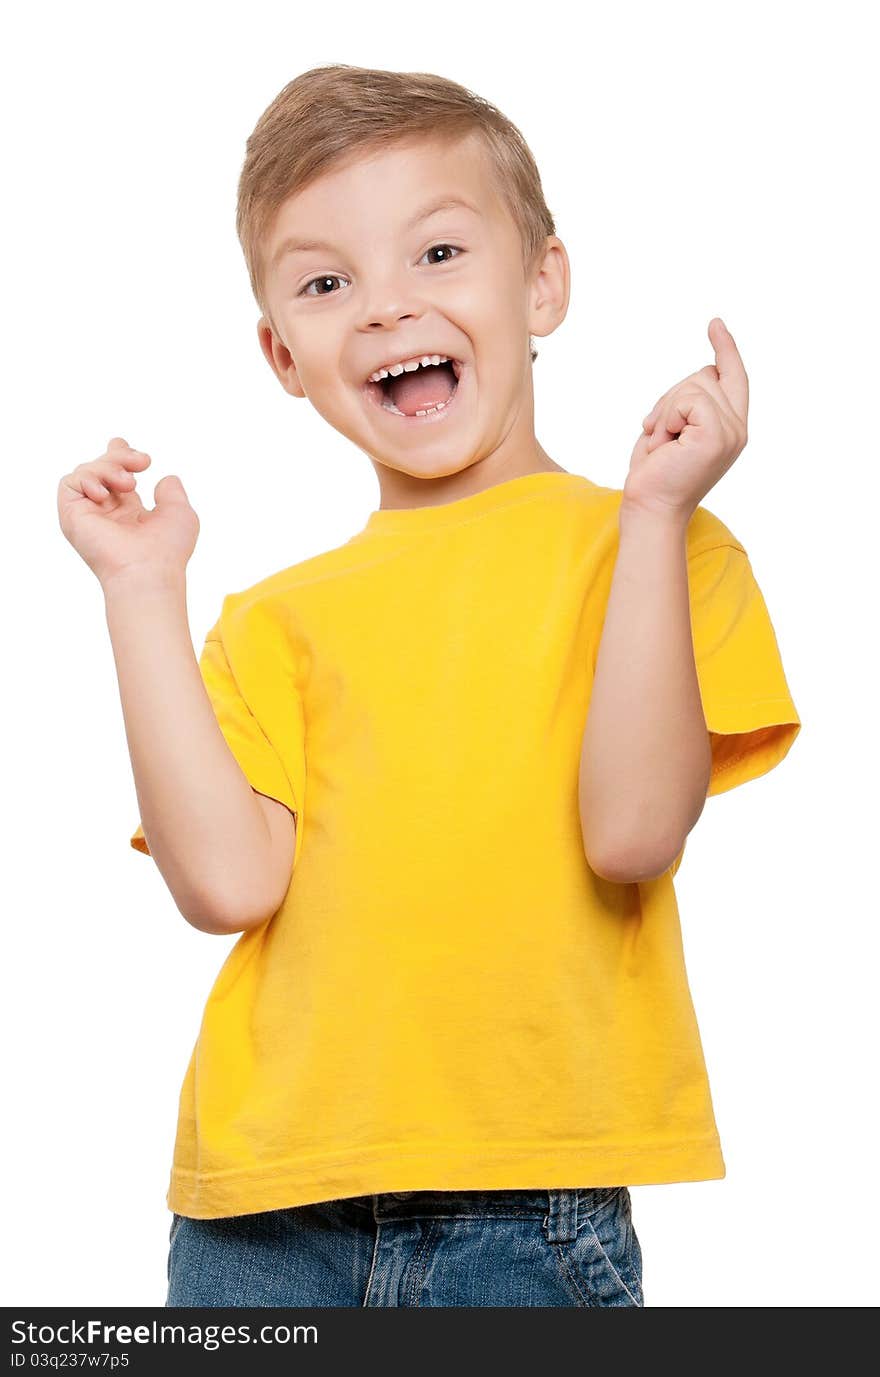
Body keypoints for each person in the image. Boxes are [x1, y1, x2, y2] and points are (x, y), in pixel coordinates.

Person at [57, 63, 801, 1309]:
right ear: (281, 353)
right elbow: (229, 886)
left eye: (438, 253)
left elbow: (629, 837)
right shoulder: (270, 618)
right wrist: (139, 591)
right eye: (327, 283)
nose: (387, 310)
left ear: (542, 284)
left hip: (526, 1216)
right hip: (260, 1214)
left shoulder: (652, 549)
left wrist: (661, 513)